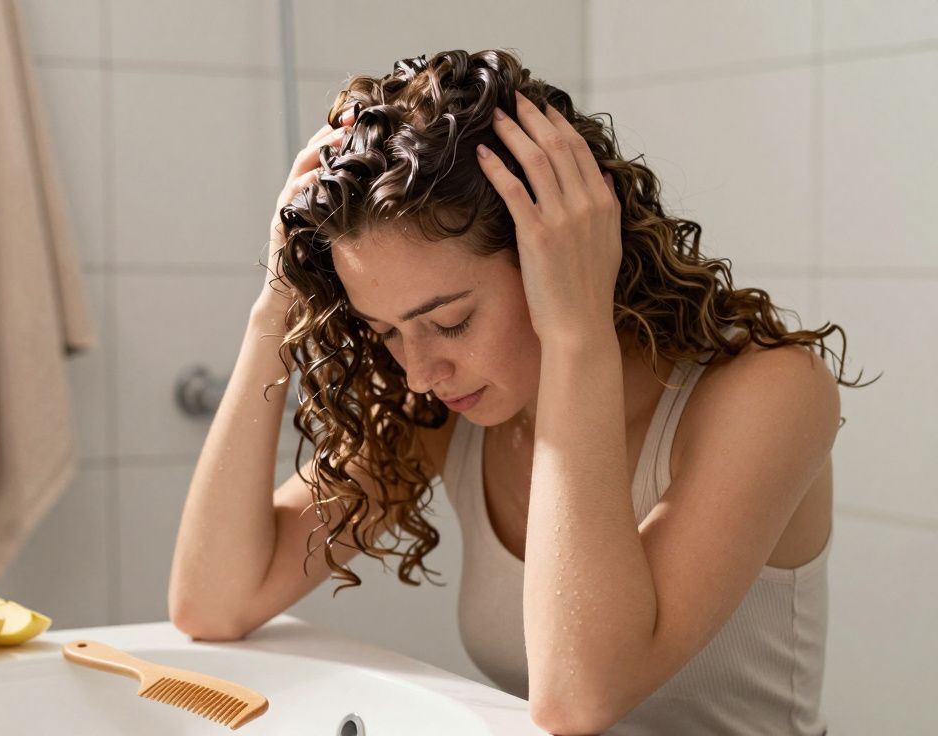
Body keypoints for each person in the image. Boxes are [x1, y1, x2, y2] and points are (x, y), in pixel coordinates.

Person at [168, 49, 873, 735]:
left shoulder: (771, 393)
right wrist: (273, 313)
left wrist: (578, 333)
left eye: (450, 321)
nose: (418, 373)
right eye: (385, 332)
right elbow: (211, 603)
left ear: (558, 249)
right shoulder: (444, 411)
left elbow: (578, 698)